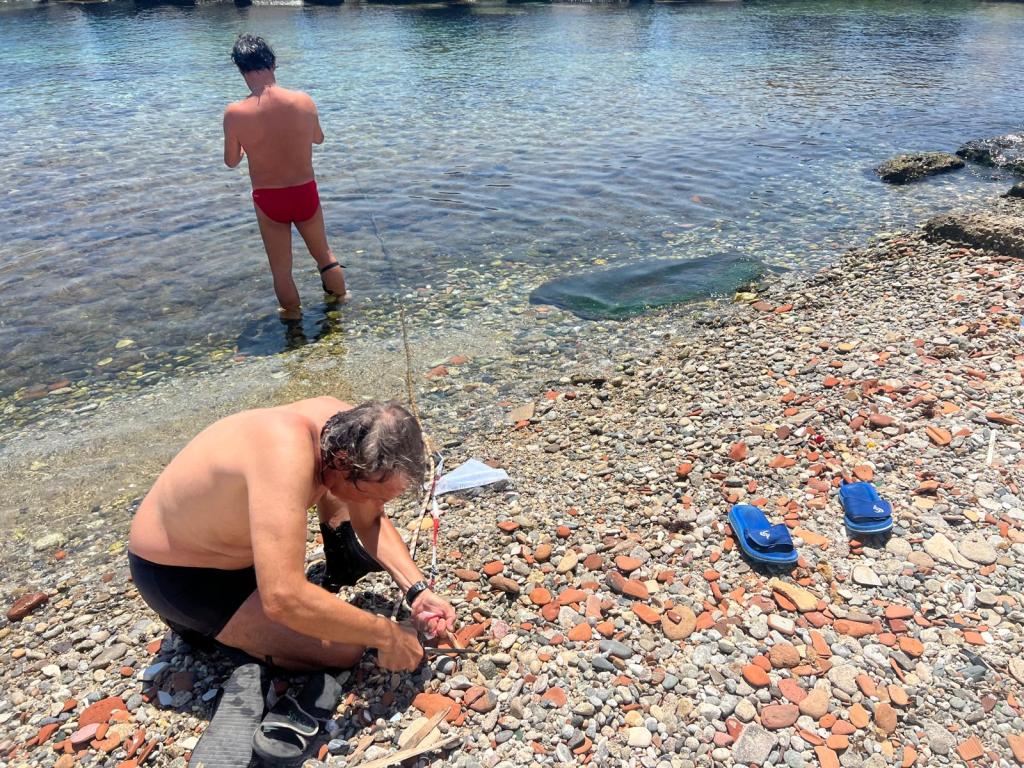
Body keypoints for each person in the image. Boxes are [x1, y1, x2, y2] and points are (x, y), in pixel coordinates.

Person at [127, 397, 456, 672]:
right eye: (376, 495)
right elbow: (283, 598)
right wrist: (388, 635)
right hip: (181, 575)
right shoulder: (283, 454)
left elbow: (371, 522)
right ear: (343, 461)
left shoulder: (349, 429)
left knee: (341, 501)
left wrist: (418, 592)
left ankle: (253, 621)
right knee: (346, 650)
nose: (377, 506)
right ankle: (205, 630)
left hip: (240, 552)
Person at [223, 34, 346, 319]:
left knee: (281, 269)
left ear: (241, 70)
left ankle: (292, 323)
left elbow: (231, 161)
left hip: (269, 198)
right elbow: (318, 139)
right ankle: (341, 307)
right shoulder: (303, 100)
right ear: (273, 63)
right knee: (324, 256)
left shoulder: (234, 113)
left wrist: (247, 148)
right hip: (304, 191)